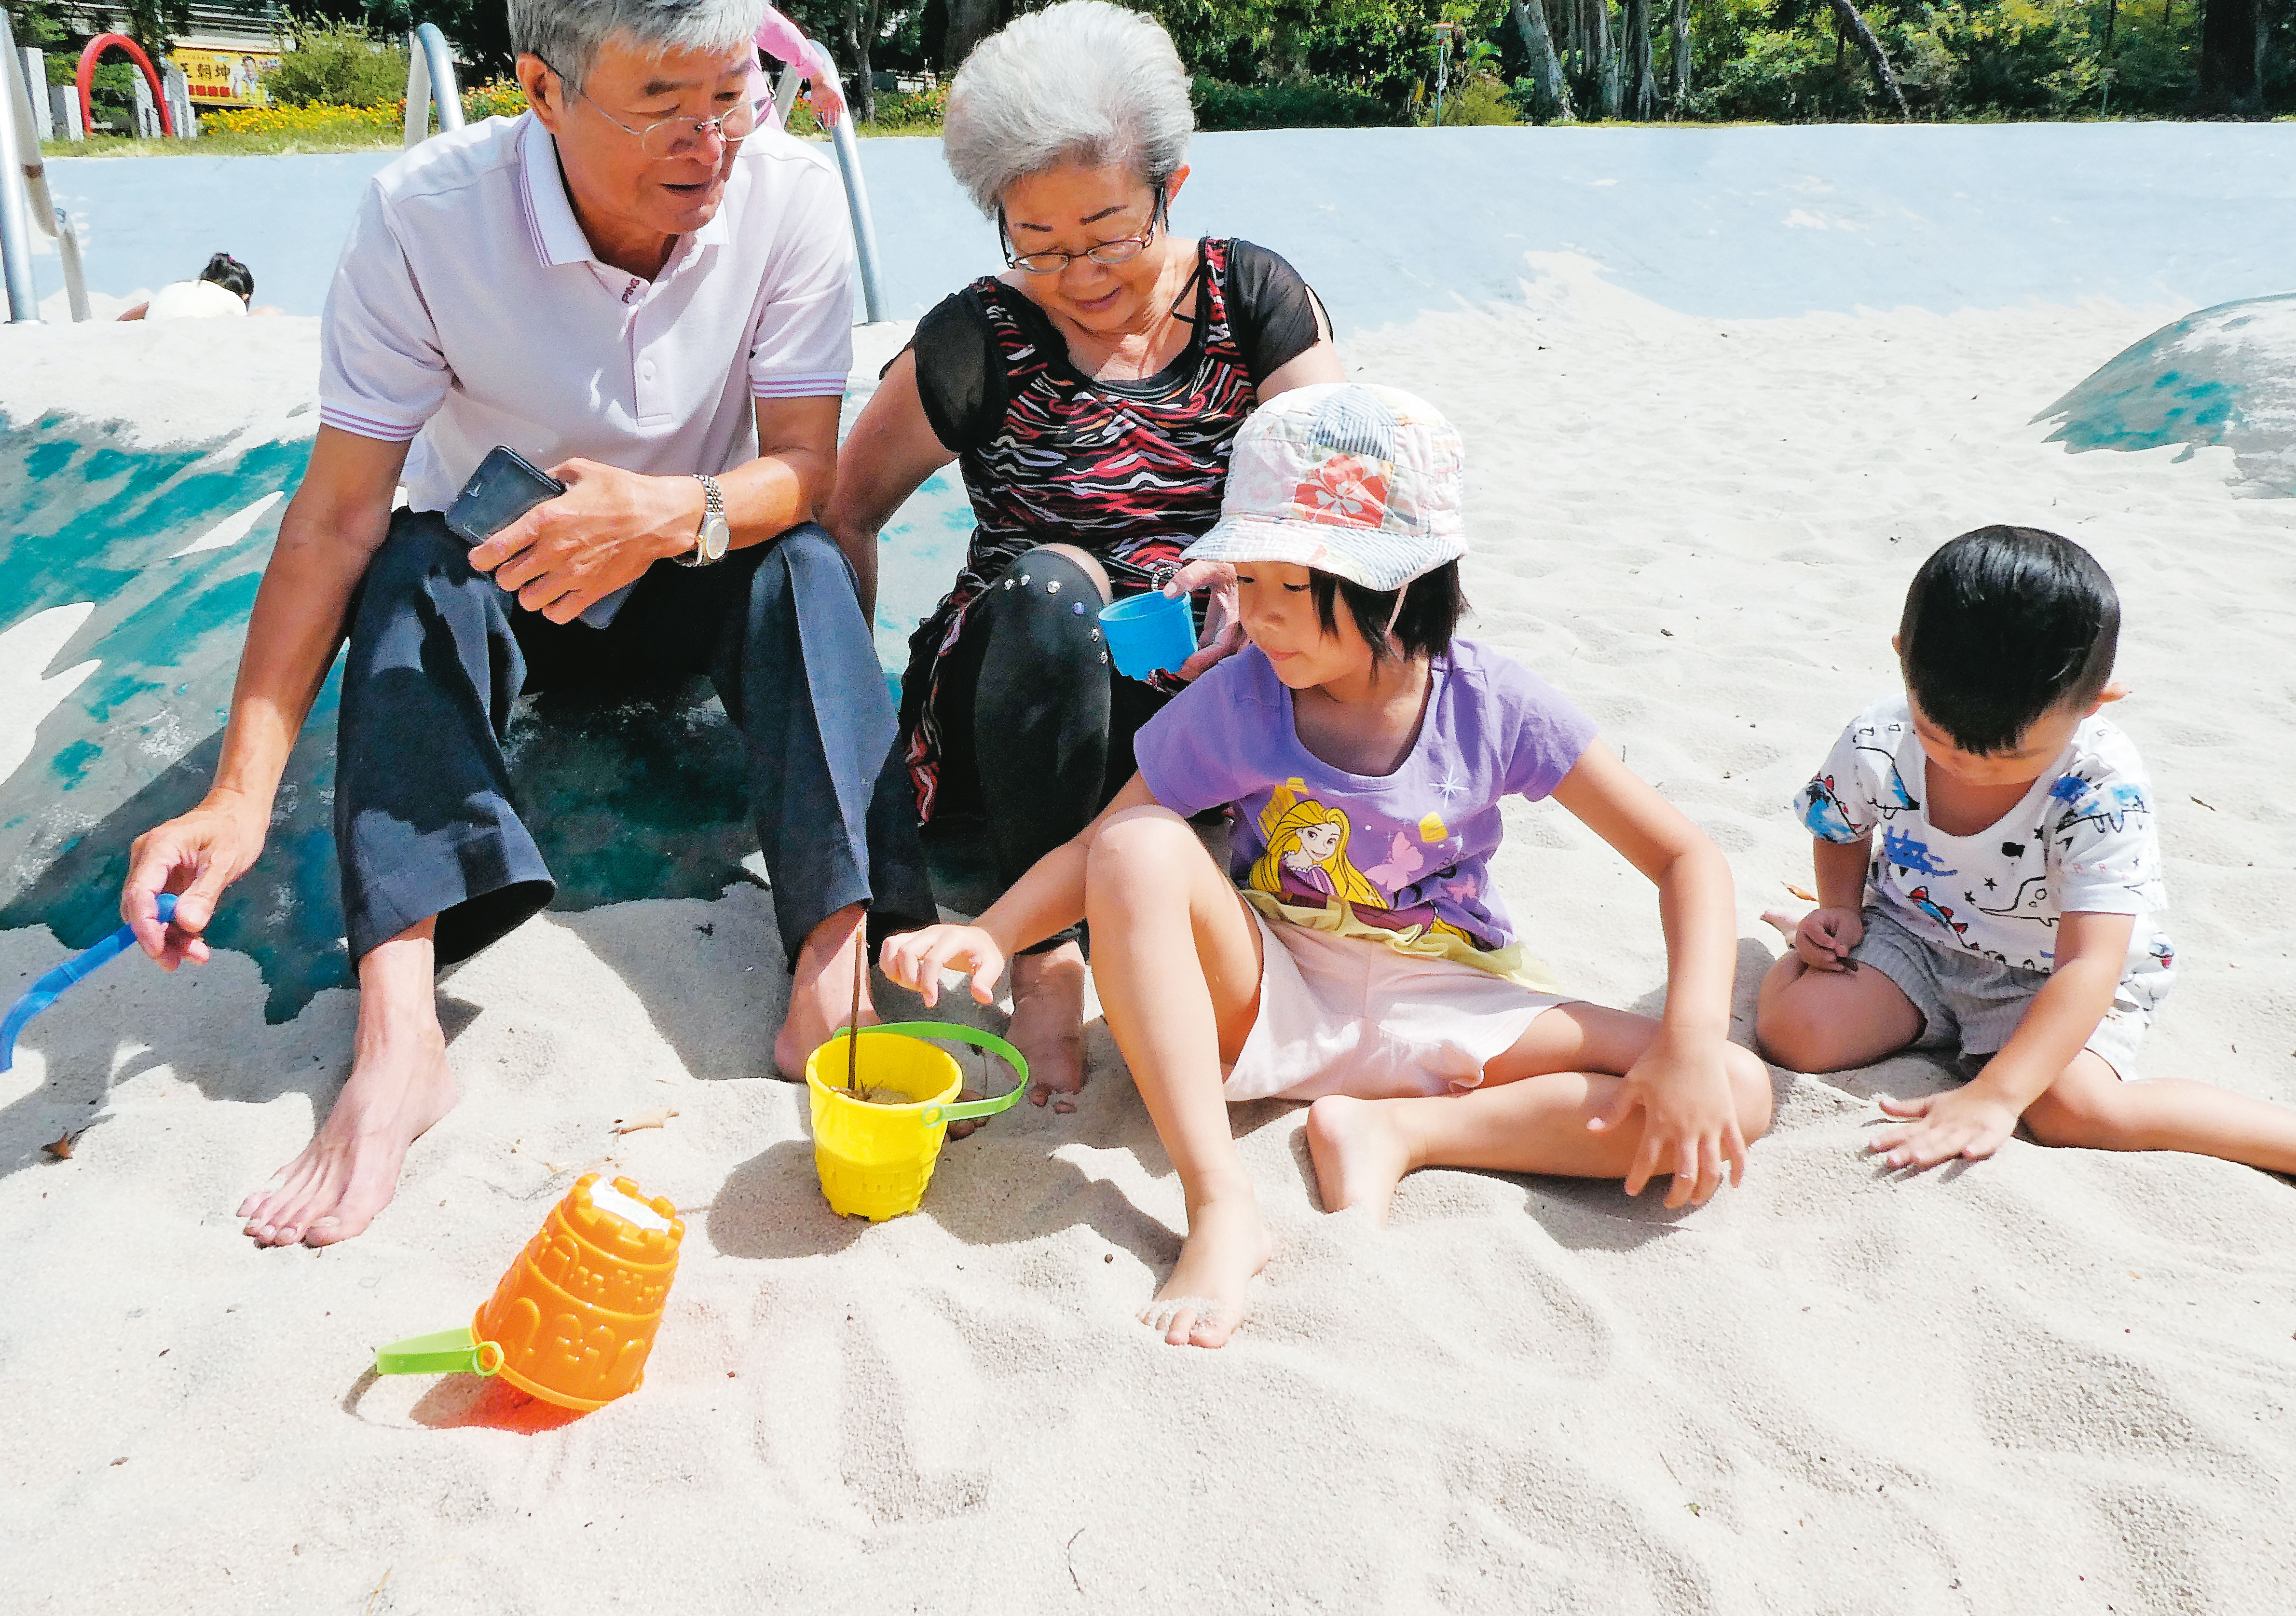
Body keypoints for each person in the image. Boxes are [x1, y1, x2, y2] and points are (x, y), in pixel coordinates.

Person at [118, 0, 932, 1250]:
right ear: (541, 90)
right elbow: (333, 515)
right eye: (663, 104)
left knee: (801, 571)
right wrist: (241, 793)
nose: (713, 141)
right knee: (407, 574)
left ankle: (831, 966)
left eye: (734, 91)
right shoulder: (423, 220)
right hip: (508, 567)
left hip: (697, 557)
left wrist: (667, 515)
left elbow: (805, 472)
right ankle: (398, 1040)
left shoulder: (788, 199)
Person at [880, 384, 1773, 1347]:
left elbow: (1687, 857)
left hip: (1450, 995)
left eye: (1288, 587)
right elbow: (1102, 845)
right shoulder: (1245, 699)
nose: (1256, 617)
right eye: (1245, 581)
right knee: (1139, 845)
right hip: (1276, 989)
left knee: (1736, 1088)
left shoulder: (1492, 703)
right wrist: (990, 932)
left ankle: (1403, 1135)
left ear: (1394, 583)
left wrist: (1684, 1039)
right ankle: (1221, 1203)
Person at [828, 0, 1344, 1106]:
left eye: (1111, 232)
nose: (1083, 273)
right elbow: (845, 509)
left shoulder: (1251, 301)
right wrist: (851, 733)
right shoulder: (976, 336)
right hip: (1020, 687)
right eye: (1042, 244)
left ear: (1172, 188)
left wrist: (1245, 561)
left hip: (1203, 690)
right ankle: (1041, 952)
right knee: (1058, 586)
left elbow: (1339, 495)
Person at [1756, 525, 2296, 1176]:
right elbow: (1839, 824)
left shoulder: (2100, 787)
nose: (1973, 766)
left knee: (2076, 1112)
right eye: (1940, 738)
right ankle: (1819, 950)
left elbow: (2089, 966)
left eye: (2011, 755)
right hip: (1915, 935)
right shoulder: (1881, 733)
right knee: (1797, 1036)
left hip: (2053, 974)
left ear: (2097, 703)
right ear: (1904, 659)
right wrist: (1838, 907)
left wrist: (1997, 1094)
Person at [116, 251, 278, 320]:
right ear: (245, 296)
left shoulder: (174, 288)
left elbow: (129, 316)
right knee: (269, 312)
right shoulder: (234, 301)